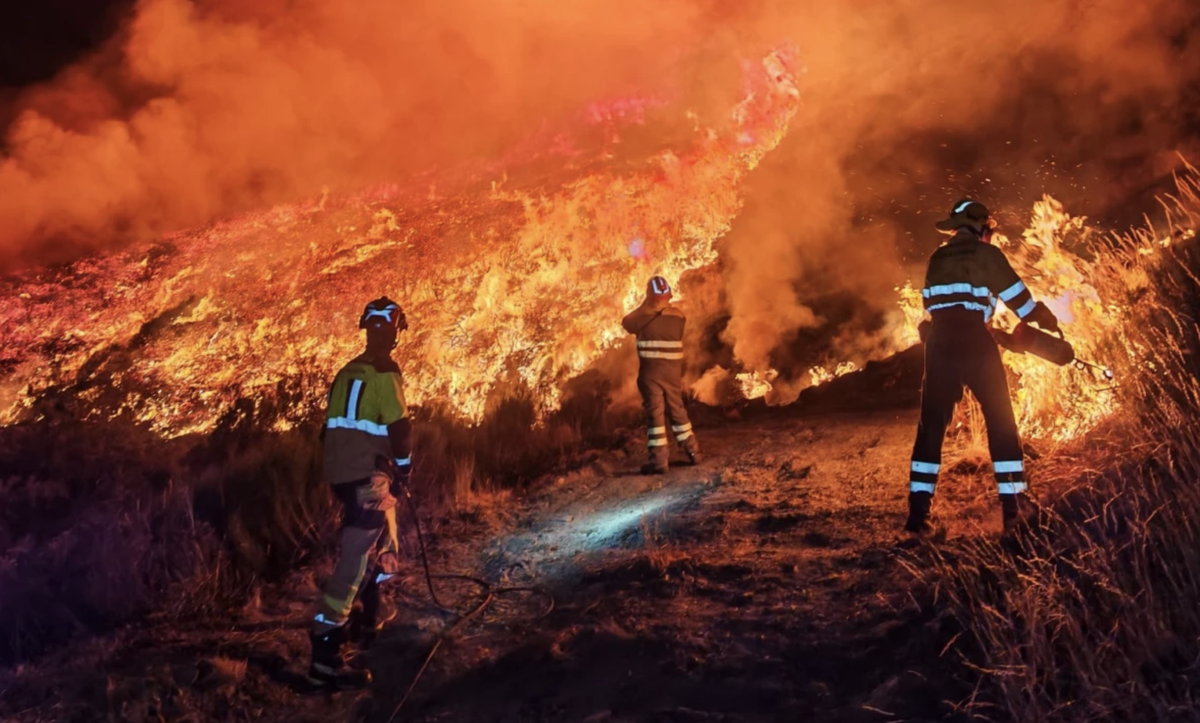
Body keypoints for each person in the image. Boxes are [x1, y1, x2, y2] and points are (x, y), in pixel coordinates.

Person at [907, 200, 1059, 535]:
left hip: (939, 344)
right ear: (981, 227)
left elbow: (933, 306)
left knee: (931, 427)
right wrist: (1045, 320)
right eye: (989, 228)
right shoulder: (986, 255)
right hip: (976, 341)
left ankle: (918, 515)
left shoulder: (937, 257)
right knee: (1001, 422)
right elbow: (1019, 300)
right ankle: (1014, 508)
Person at [307, 296, 413, 690]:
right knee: (354, 563)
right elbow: (400, 428)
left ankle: (369, 619)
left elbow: (330, 429)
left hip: (343, 474)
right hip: (365, 476)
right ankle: (325, 661)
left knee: (384, 537)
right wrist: (403, 469)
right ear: (395, 333)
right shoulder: (385, 370)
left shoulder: (347, 371)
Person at [622, 276, 701, 474]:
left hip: (650, 373)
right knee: (677, 409)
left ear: (649, 295)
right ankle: (693, 451)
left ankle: (659, 461)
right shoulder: (679, 317)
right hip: (673, 372)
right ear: (668, 295)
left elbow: (626, 323)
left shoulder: (641, 318)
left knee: (655, 415)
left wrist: (646, 304)